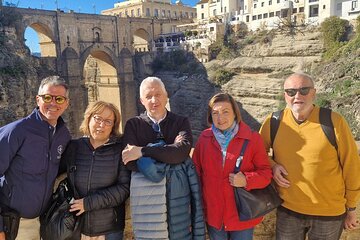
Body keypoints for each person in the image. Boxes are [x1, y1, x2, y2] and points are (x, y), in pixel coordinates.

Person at [259, 72, 360, 240]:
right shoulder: (274, 121)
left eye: (303, 90)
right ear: (285, 95)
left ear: (314, 93)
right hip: (288, 210)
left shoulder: (333, 121)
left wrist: (351, 208)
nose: (297, 96)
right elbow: (256, 153)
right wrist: (272, 165)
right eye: (291, 92)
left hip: (329, 213)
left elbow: (351, 165)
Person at [122, 76, 205, 240]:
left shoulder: (181, 121)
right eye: (148, 96)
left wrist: (143, 151)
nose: (154, 100)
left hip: (178, 194)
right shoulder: (133, 124)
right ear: (141, 101)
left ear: (166, 96)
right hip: (147, 198)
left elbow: (181, 152)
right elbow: (129, 161)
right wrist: (168, 155)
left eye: (158, 94)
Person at [192, 92, 272, 240]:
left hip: (241, 216)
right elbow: (196, 174)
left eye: (225, 112)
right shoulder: (204, 139)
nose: (220, 118)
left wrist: (247, 180)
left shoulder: (252, 138)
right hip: (214, 216)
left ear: (235, 113)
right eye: (215, 113)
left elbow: (266, 174)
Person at [0, 76, 71, 240]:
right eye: (47, 97)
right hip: (13, 223)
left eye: (59, 99)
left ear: (66, 103)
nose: (53, 103)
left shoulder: (64, 135)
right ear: (37, 99)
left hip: (45, 222)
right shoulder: (16, 131)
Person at [67, 101, 130, 240]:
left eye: (108, 121)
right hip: (76, 227)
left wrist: (88, 203)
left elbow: (124, 188)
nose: (101, 125)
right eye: (98, 118)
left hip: (109, 230)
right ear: (89, 118)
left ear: (113, 126)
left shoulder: (121, 150)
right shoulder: (74, 147)